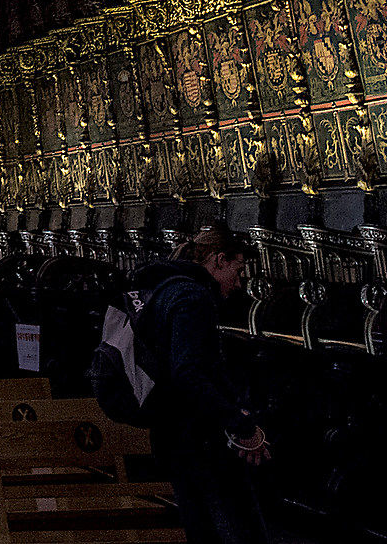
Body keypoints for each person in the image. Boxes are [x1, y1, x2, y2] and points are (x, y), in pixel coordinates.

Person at [132, 229, 271, 544]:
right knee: (239, 530)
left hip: (171, 434)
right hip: (198, 439)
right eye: (237, 271)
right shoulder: (193, 298)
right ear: (219, 260)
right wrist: (240, 425)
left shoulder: (164, 288)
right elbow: (189, 373)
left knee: (200, 529)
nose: (237, 283)